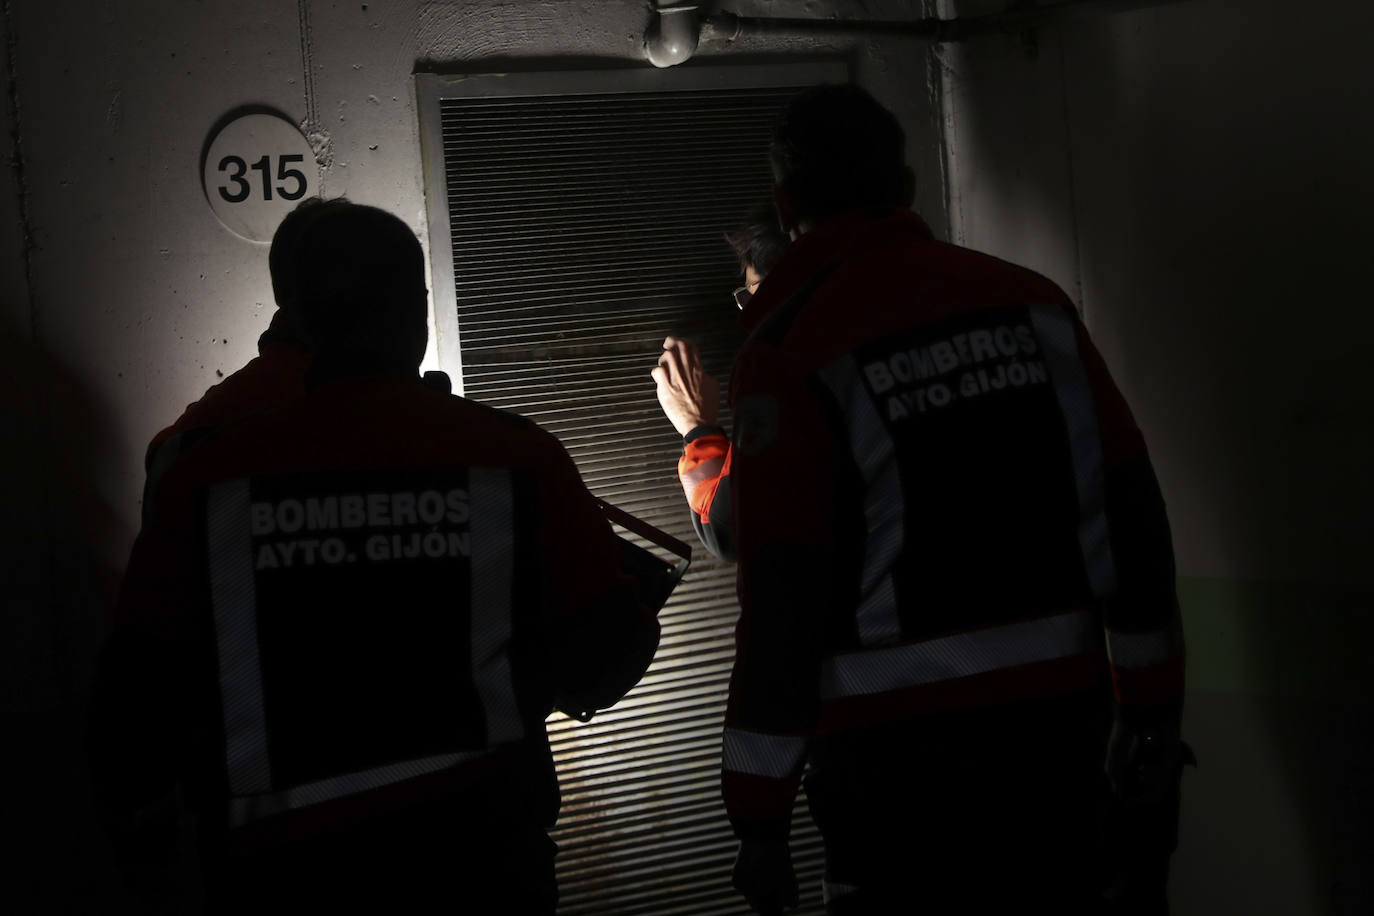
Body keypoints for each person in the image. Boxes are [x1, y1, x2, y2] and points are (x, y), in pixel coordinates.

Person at [651, 84, 1188, 914]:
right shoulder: (1034, 302)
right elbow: (1133, 518)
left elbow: (779, 594)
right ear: (905, 186)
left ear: (788, 204)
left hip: (894, 775)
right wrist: (1150, 716)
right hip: (1061, 743)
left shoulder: (790, 349)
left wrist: (756, 819)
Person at [90, 201, 660, 913]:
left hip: (280, 877)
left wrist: (145, 852)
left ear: (297, 314)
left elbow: (136, 701)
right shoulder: (511, 456)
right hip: (483, 865)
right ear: (417, 310)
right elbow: (604, 662)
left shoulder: (204, 474)